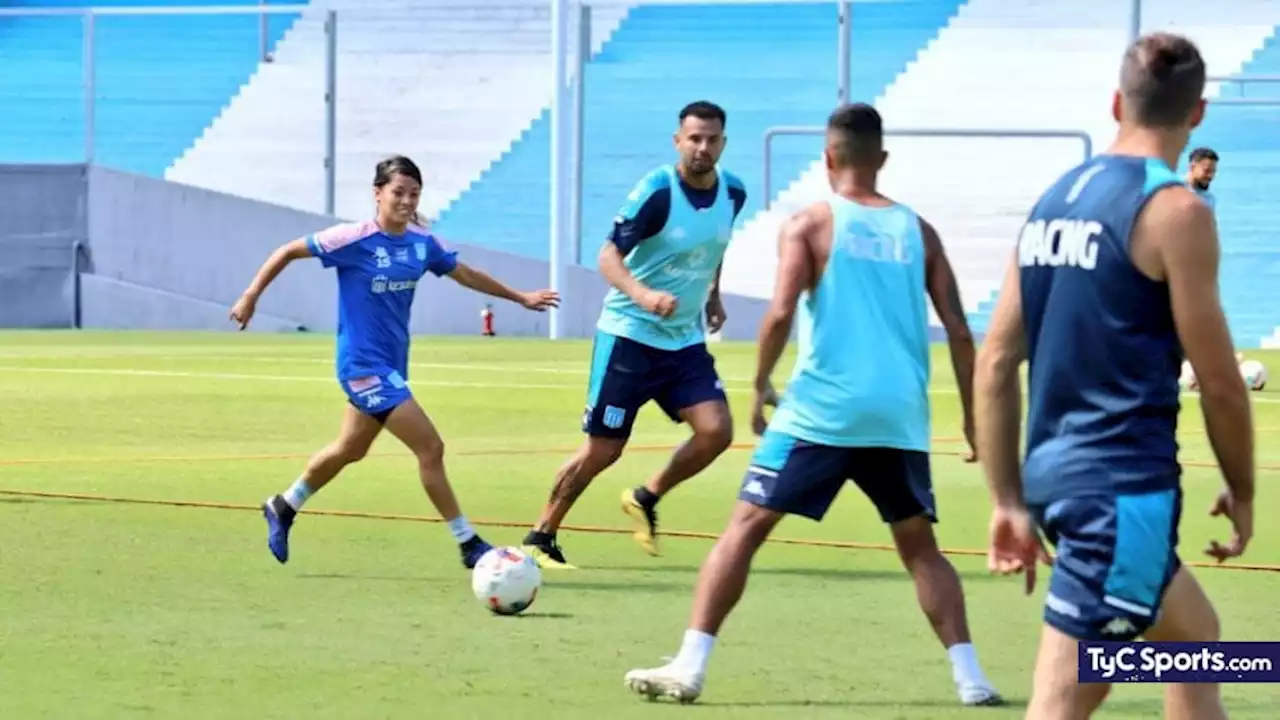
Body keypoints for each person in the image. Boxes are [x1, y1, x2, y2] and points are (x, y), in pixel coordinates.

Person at [623, 103, 1001, 707]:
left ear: (828, 159)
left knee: (743, 530)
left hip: (821, 413)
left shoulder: (811, 225)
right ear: (881, 159)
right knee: (920, 549)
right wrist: (973, 420)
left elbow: (778, 313)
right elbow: (959, 329)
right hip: (899, 417)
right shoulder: (918, 230)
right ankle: (971, 677)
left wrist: (758, 386)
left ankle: (690, 664)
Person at [975, 33, 1254, 720]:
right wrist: (1243, 491)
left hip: (1056, 483)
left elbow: (994, 363)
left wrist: (1008, 500)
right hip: (1120, 497)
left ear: (1114, 103)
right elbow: (1218, 381)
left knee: (1197, 642)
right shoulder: (1177, 212)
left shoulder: (1053, 199)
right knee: (1062, 697)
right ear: (1197, 114)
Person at [230, 155, 560, 570]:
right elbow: (288, 251)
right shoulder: (351, 240)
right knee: (431, 447)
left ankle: (284, 504)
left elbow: (468, 275)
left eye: (414, 194)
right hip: (362, 368)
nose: (406, 201)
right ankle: (466, 541)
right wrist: (251, 295)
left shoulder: (422, 244)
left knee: (350, 449)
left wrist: (522, 296)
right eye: (398, 192)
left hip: (392, 366)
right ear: (377, 194)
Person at [520, 101, 747, 569]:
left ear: (723, 142)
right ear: (677, 140)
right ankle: (541, 535)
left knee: (717, 430)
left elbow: (714, 246)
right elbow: (607, 256)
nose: (703, 147)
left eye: (712, 139)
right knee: (604, 448)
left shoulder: (733, 193)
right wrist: (643, 295)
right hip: (629, 336)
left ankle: (646, 495)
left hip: (682, 341)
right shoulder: (658, 192)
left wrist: (713, 295)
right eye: (694, 138)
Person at [1185, 145, 1218, 210]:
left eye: (1213, 171)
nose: (1210, 176)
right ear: (1192, 167)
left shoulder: (1209, 199)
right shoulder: (1174, 191)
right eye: (1207, 171)